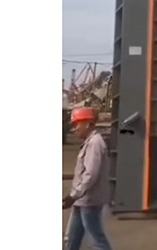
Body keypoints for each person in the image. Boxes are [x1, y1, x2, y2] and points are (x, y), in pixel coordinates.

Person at [63, 107, 113, 250]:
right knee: (72, 239)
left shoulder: (94, 144)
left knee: (97, 239)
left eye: (76, 124)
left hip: (89, 201)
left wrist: (74, 195)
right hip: (82, 200)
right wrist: (74, 196)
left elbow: (90, 174)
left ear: (87, 124)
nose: (74, 129)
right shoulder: (90, 142)